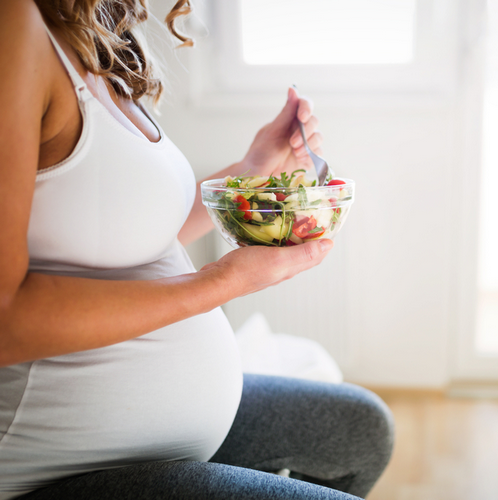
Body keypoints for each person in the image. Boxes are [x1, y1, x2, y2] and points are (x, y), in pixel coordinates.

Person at [0, 1, 394, 499]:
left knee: (361, 432)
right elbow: (4, 318)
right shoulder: (14, 26)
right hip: (59, 467)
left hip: (154, 438)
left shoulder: (89, 34)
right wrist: (223, 281)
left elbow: (134, 229)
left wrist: (253, 164)